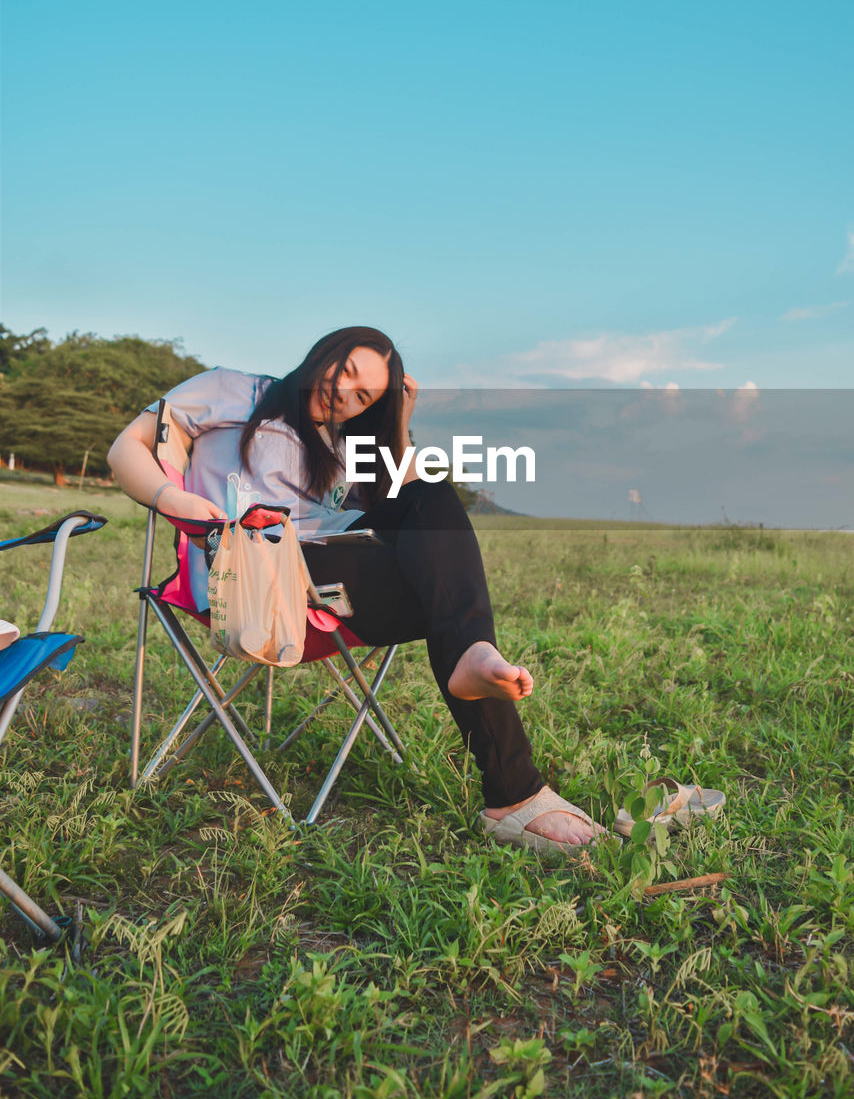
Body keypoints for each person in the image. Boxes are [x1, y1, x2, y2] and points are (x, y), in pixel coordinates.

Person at [108, 326, 604, 855]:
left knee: (430, 500)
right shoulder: (237, 391)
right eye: (345, 371)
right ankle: (513, 787)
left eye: (364, 395)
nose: (344, 393)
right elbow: (128, 447)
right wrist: (171, 499)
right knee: (443, 601)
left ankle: (475, 668)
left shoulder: (349, 444)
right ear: (326, 352)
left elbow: (403, 505)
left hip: (335, 588)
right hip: (247, 576)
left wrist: (399, 429)